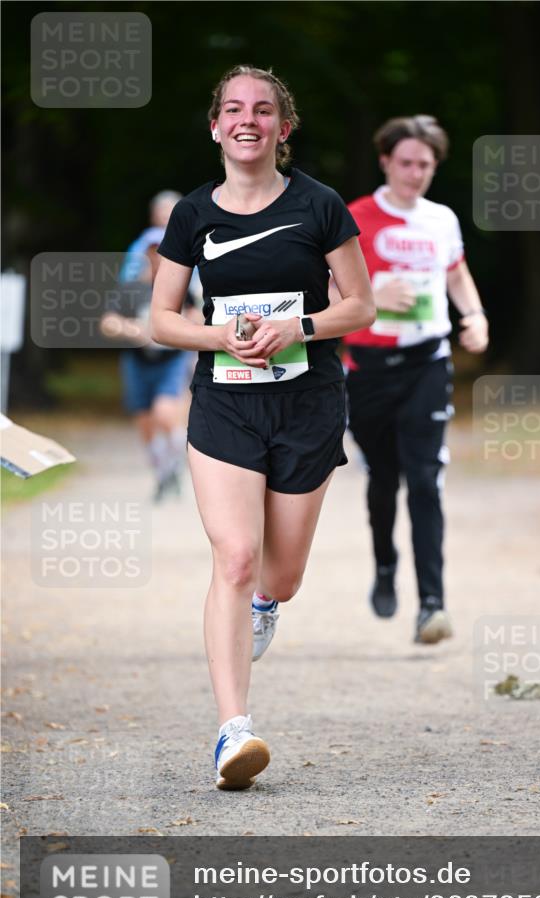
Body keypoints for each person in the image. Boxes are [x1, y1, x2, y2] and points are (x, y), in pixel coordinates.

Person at [151, 66, 374, 790]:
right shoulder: (192, 215)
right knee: (236, 555)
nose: (248, 120)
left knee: (279, 574)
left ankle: (265, 605)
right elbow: (161, 318)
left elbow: (360, 306)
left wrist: (295, 328)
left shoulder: (320, 206)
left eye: (264, 110)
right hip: (226, 404)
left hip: (308, 403)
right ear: (215, 126)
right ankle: (232, 731)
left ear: (283, 127)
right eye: (234, 110)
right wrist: (222, 338)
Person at [342, 115, 488, 643]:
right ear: (386, 162)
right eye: (405, 162)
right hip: (369, 368)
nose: (415, 173)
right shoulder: (355, 218)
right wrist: (371, 299)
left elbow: (455, 273)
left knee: (425, 480)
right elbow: (324, 289)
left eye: (425, 165)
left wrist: (474, 316)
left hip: (428, 359)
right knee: (385, 480)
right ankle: (385, 563)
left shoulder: (441, 219)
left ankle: (432, 605)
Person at [101, 194, 194, 502]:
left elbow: (196, 312)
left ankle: (175, 468)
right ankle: (163, 474)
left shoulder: (181, 285)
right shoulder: (132, 288)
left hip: (171, 358)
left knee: (166, 413)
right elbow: (108, 320)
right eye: (153, 253)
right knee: (145, 423)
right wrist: (129, 329)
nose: (158, 258)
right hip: (138, 359)